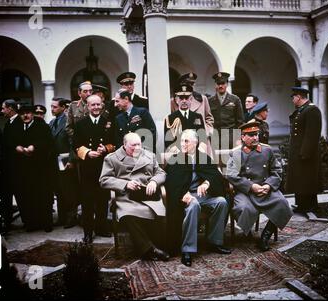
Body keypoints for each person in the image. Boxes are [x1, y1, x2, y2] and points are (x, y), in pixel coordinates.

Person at [165, 129, 231, 267]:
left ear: (195, 142)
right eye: (182, 140)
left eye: (186, 141)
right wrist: (183, 193)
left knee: (222, 202)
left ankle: (215, 242)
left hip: (203, 195)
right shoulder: (176, 159)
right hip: (185, 197)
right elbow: (171, 182)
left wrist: (207, 183)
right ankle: (187, 249)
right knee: (193, 205)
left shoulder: (204, 157)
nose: (183, 144)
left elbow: (215, 176)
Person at [99, 132, 170, 261]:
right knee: (129, 215)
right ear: (124, 145)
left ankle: (154, 247)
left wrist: (154, 181)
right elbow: (104, 180)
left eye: (139, 144)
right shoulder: (112, 158)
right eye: (133, 145)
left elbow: (161, 172)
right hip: (126, 197)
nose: (137, 148)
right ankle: (149, 250)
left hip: (147, 195)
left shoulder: (149, 155)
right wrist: (125, 184)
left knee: (158, 212)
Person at [226, 121, 293, 251]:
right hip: (246, 191)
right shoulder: (236, 153)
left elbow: (277, 171)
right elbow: (232, 175)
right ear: (243, 137)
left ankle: (265, 236)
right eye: (251, 135)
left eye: (256, 134)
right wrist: (251, 186)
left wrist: (268, 185)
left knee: (282, 203)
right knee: (243, 208)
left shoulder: (267, 150)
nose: (255, 138)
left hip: (265, 189)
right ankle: (247, 231)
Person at [73, 94, 116, 243]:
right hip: (87, 168)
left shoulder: (108, 122)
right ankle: (88, 232)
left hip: (104, 167)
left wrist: (105, 148)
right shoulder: (80, 124)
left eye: (98, 104)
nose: (96, 107)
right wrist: (87, 152)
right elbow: (76, 145)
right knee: (87, 201)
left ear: (102, 105)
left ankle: (102, 228)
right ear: (87, 106)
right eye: (93, 105)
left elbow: (115, 143)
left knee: (103, 199)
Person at [13, 105, 54, 232]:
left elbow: (48, 143)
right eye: (22, 114)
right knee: (29, 196)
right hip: (24, 169)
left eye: (28, 113)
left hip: (41, 168)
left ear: (32, 114)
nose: (25, 116)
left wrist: (34, 146)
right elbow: (11, 141)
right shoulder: (17, 127)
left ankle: (47, 223)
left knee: (44, 195)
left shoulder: (41, 126)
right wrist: (17, 147)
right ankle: (32, 223)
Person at [286, 87, 322, 214]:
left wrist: (305, 152)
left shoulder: (312, 110)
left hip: (306, 153)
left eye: (293, 97)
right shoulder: (302, 110)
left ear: (299, 97)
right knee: (299, 180)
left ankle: (310, 206)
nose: (292, 100)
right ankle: (301, 204)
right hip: (298, 151)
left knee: (307, 180)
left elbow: (312, 134)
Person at [49, 98, 78, 228]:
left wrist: (72, 160)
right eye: (51, 107)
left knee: (68, 190)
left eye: (54, 107)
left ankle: (71, 217)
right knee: (59, 190)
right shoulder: (52, 122)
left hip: (66, 160)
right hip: (55, 161)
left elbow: (73, 142)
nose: (52, 109)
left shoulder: (67, 121)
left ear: (62, 108)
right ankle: (62, 217)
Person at [0, 99, 22, 230]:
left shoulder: (19, 122)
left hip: (17, 166)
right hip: (7, 166)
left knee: (20, 194)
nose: (2, 111)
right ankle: (7, 219)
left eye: (3, 108)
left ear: (10, 108)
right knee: (6, 194)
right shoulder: (9, 122)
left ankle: (27, 219)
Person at [171, 72, 214, 138]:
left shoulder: (202, 99)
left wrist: (208, 132)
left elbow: (209, 118)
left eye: (192, 83)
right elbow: (171, 121)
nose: (190, 86)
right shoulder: (174, 101)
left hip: (202, 138)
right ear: (182, 85)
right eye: (188, 83)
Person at [164, 83, 206, 152]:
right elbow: (168, 141)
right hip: (178, 156)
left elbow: (202, 137)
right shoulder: (170, 119)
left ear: (191, 99)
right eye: (181, 98)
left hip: (195, 154)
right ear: (176, 100)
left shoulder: (197, 117)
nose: (184, 101)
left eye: (186, 98)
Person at [208, 72, 244, 149]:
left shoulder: (235, 99)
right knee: (216, 160)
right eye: (218, 84)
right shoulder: (210, 101)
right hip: (215, 138)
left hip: (231, 138)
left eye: (223, 83)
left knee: (232, 160)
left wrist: (239, 138)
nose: (220, 86)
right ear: (215, 85)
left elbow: (240, 121)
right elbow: (208, 119)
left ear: (227, 84)